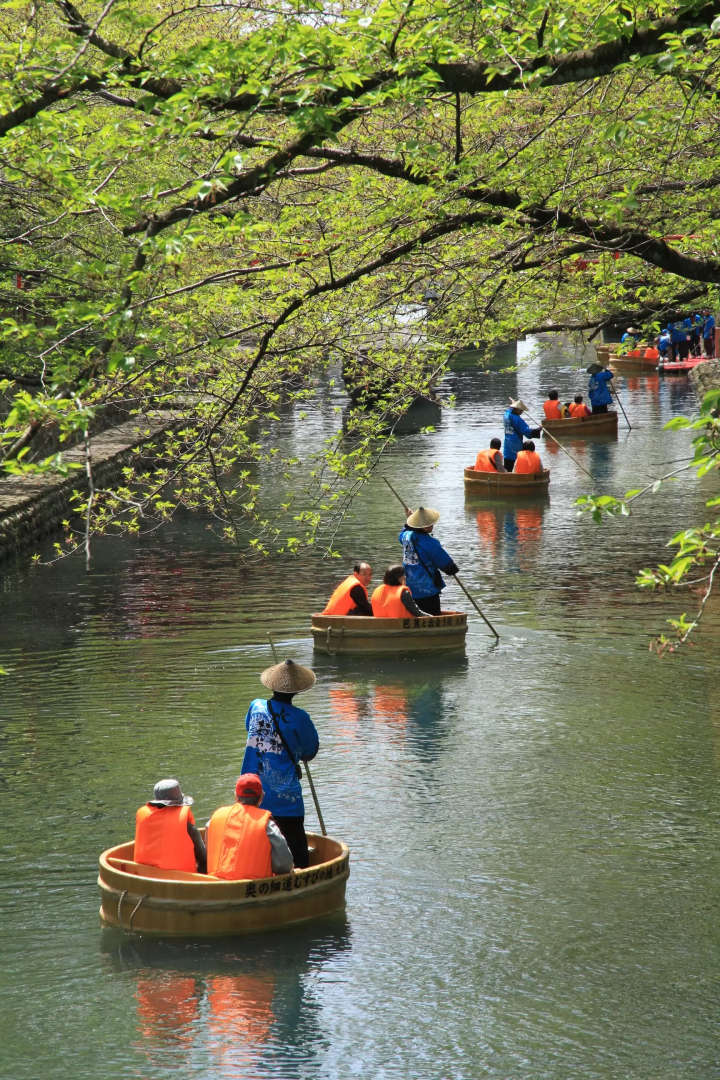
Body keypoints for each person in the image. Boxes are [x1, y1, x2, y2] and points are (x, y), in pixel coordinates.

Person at [241, 659, 319, 869]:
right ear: (297, 691)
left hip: (250, 789)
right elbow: (309, 753)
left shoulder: (256, 706)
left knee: (253, 841)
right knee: (295, 845)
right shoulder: (300, 717)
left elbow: (250, 729)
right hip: (284, 794)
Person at [206, 773, 293, 879]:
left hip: (215, 882)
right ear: (261, 797)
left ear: (236, 796)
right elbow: (284, 865)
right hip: (255, 887)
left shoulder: (213, 819)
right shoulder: (267, 824)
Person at [134, 779, 207, 874]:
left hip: (145, 873)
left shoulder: (144, 818)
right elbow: (202, 857)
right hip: (179, 877)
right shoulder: (187, 826)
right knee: (206, 862)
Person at [399, 506, 459, 617]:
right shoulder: (431, 543)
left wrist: (408, 521)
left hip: (410, 588)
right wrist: (454, 569)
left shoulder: (406, 536)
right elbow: (448, 566)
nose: (432, 525)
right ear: (425, 527)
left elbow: (402, 533)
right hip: (427, 589)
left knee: (414, 617)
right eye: (430, 524)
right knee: (432, 616)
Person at [503, 399, 541, 472]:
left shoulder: (506, 414)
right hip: (515, 443)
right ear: (517, 409)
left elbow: (509, 409)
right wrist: (538, 429)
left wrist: (513, 404)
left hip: (507, 443)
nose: (522, 412)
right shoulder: (517, 419)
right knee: (517, 462)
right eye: (521, 410)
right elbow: (526, 431)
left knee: (507, 465)